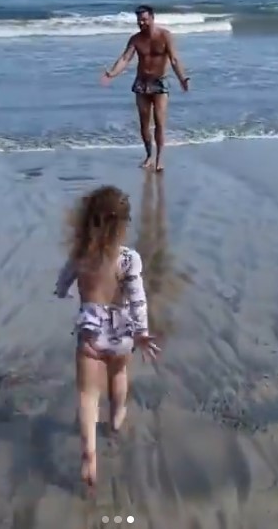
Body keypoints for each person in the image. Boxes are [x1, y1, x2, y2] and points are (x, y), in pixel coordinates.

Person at [54, 185, 160, 488]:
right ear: (123, 226)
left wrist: (61, 291)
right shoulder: (128, 260)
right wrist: (141, 332)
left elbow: (63, 281)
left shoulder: (80, 256)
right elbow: (138, 298)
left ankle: (89, 454)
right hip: (122, 333)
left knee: (87, 394)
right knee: (118, 374)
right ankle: (116, 418)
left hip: (90, 334)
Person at [101, 5, 190, 172]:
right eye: (139, 20)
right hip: (141, 83)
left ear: (152, 18)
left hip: (160, 83)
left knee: (159, 122)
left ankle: (160, 158)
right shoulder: (136, 39)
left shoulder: (165, 36)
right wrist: (112, 73)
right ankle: (149, 155)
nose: (142, 23)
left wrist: (182, 78)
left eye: (145, 20)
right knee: (144, 124)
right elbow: (125, 59)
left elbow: (175, 60)